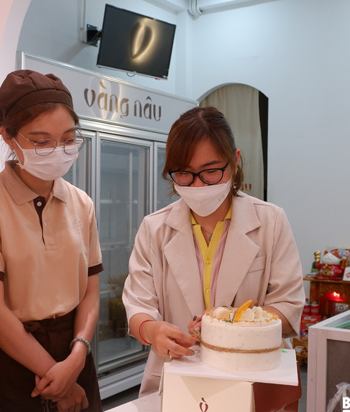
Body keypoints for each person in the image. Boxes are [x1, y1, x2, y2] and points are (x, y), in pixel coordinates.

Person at [122, 106, 305, 396]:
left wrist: (228, 323)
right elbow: (138, 306)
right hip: (179, 376)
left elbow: (288, 307)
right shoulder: (154, 228)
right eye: (184, 174)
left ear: (234, 161)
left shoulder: (270, 221)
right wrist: (152, 330)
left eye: (210, 171)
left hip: (252, 377)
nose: (197, 185)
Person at [0, 70, 103, 412]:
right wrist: (60, 380)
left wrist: (76, 359)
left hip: (75, 350)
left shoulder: (81, 203)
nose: (58, 151)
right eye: (42, 142)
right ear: (9, 136)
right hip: (16, 361)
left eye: (69, 140)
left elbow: (90, 292)